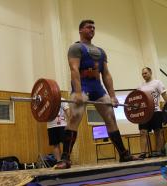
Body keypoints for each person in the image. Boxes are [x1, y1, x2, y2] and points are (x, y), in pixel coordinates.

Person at [54, 19, 138, 169]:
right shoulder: (75, 48)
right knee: (74, 118)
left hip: (97, 87)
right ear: (80, 30)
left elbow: (106, 74)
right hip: (82, 85)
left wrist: (112, 96)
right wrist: (78, 92)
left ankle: (124, 154)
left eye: (93, 27)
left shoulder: (101, 51)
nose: (92, 29)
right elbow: (74, 70)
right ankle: (65, 159)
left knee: (111, 117)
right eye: (88, 27)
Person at [138, 67, 167, 159]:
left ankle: (159, 151)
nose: (144, 75)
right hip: (144, 113)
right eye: (142, 74)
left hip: (156, 111)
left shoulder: (157, 83)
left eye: (145, 73)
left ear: (150, 73)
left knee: (157, 131)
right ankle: (142, 153)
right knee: (142, 132)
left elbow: (164, 95)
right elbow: (138, 99)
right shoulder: (140, 86)